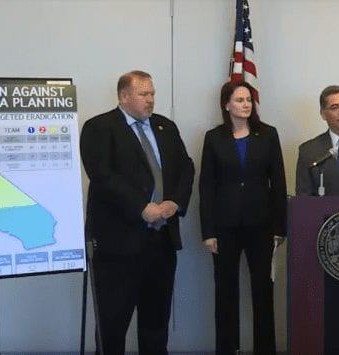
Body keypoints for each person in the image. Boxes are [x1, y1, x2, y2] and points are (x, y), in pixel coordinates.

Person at [80, 70, 195, 354]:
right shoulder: (99, 127)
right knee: (112, 326)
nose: (150, 100)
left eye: (152, 93)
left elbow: (186, 167)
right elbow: (102, 175)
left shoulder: (165, 127)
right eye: (143, 94)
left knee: (156, 324)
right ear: (123, 96)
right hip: (117, 247)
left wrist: (175, 203)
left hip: (161, 243)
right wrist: (140, 208)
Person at [199, 80, 286, 355]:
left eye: (248, 99)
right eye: (239, 100)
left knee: (263, 291)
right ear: (226, 105)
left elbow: (279, 183)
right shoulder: (213, 138)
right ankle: (227, 348)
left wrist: (279, 226)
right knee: (225, 292)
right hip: (224, 228)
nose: (246, 104)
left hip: (261, 225)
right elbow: (206, 187)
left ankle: (265, 349)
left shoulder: (268, 135)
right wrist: (208, 231)